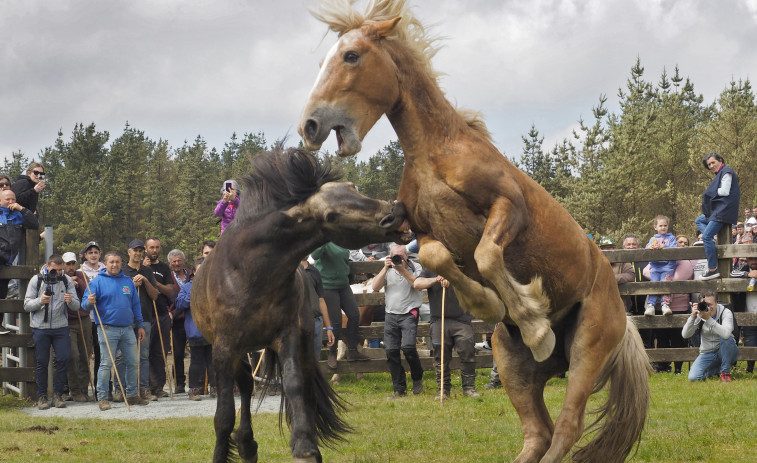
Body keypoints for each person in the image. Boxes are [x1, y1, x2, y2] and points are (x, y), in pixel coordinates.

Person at [83, 251, 149, 410]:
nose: (114, 265)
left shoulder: (128, 281)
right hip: (107, 328)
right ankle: (103, 397)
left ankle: (132, 394)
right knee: (106, 363)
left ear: (121, 263)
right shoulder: (97, 282)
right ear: (105, 264)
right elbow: (84, 305)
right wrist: (89, 302)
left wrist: (140, 325)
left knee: (133, 362)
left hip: (128, 329)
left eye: (117, 262)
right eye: (111, 262)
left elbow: (135, 305)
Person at [24, 254, 80, 410]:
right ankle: (42, 396)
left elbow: (76, 305)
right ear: (48, 266)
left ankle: (57, 395)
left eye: (61, 270)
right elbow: (27, 305)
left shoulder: (66, 280)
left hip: (60, 326)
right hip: (40, 327)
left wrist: (71, 301)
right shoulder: (37, 280)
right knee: (42, 362)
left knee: (64, 358)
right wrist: (40, 301)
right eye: (55, 270)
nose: (58, 273)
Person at [414, 270, 479, 398]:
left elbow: (475, 284)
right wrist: (436, 279)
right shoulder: (431, 268)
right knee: (441, 357)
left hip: (462, 320)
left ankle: (469, 388)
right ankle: (443, 390)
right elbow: (417, 283)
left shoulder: (461, 266)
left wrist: (454, 278)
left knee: (467, 352)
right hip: (439, 320)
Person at [371, 244, 424, 398]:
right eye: (395, 256)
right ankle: (399, 389)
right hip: (391, 314)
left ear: (406, 256)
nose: (398, 259)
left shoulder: (416, 267)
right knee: (391, 351)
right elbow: (375, 287)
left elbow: (417, 284)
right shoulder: (387, 269)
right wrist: (385, 268)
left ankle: (417, 377)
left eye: (401, 256)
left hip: (409, 312)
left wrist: (402, 269)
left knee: (408, 347)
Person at [312, 242, 370, 367]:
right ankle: (332, 353)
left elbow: (343, 259)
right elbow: (315, 255)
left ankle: (352, 350)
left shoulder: (342, 241)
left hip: (343, 285)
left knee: (354, 315)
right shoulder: (325, 242)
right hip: (328, 286)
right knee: (336, 321)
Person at [118, 239, 159, 401]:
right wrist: (132, 286)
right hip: (126, 320)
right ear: (129, 252)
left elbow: (155, 295)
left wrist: (146, 281)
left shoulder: (147, 271)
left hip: (145, 319)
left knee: (143, 356)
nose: (138, 253)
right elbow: (118, 296)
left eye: (141, 251)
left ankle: (143, 389)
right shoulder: (122, 272)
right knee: (122, 356)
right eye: (135, 250)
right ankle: (120, 389)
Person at [174, 257, 214, 401]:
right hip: (195, 330)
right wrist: (195, 298)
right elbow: (179, 303)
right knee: (197, 361)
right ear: (194, 272)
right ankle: (194, 389)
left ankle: (214, 387)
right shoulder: (187, 287)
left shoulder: (213, 285)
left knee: (212, 360)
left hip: (212, 330)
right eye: (200, 270)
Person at [696, 152, 740, 280]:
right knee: (699, 220)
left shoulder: (727, 172)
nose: (711, 166)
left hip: (723, 211)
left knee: (706, 237)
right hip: (718, 211)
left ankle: (712, 269)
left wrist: (710, 192)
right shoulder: (720, 174)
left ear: (720, 160)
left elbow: (725, 192)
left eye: (713, 162)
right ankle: (711, 242)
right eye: (709, 164)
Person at [682, 290, 738, 382]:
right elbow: (685, 334)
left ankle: (725, 373)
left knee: (726, 338)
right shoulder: (699, 313)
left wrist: (708, 319)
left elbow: (726, 334)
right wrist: (692, 317)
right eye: (704, 304)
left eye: (710, 304)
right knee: (693, 378)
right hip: (707, 353)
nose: (708, 307)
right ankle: (717, 370)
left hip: (726, 350)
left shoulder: (725, 312)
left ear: (716, 303)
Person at [143, 237, 175, 397]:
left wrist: (154, 283)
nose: (154, 250)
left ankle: (158, 387)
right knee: (144, 352)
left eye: (157, 247)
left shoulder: (164, 268)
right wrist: (144, 271)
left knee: (159, 352)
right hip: (145, 315)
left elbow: (171, 290)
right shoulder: (139, 266)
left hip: (161, 313)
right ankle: (145, 387)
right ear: (145, 249)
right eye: (151, 247)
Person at [62, 251, 91, 402]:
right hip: (68, 320)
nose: (71, 267)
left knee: (86, 354)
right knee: (74, 355)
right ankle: (74, 390)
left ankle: (84, 388)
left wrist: (78, 283)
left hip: (84, 318)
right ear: (63, 265)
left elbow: (88, 292)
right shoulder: (60, 278)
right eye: (68, 264)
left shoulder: (82, 275)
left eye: (73, 263)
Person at [0, 190, 39, 301]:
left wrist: (21, 208)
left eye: (13, 199)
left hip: (6, 263)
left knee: (2, 298)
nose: (11, 202)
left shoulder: (18, 216)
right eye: (7, 199)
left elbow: (34, 224)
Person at [301, 259, 335, 361]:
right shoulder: (291, 271)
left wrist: (329, 328)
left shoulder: (315, 271)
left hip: (316, 320)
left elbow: (321, 300)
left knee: (315, 359)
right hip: (297, 321)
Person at [168, 249, 192, 393]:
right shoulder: (168, 277)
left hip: (193, 318)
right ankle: (179, 383)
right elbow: (162, 296)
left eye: (179, 260)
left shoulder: (192, 274)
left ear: (183, 261)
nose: (177, 263)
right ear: (170, 263)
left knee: (197, 351)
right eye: (174, 261)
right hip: (177, 319)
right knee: (177, 353)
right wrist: (167, 311)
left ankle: (198, 382)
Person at [644, 215, 677, 316]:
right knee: (654, 284)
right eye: (661, 225)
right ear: (655, 227)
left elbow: (674, 249)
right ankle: (651, 305)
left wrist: (665, 247)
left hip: (667, 266)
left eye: (665, 225)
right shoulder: (653, 238)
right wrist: (650, 247)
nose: (663, 227)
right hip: (655, 266)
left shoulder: (671, 238)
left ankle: (665, 305)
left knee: (665, 284)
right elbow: (646, 248)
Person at [731, 254, 757, 373]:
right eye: (751, 259)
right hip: (747, 313)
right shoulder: (744, 268)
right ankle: (750, 369)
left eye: (756, 258)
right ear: (746, 259)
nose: (754, 261)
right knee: (749, 341)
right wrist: (748, 274)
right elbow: (731, 274)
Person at [598, 237, 634, 313]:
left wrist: (611, 278)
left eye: (612, 247)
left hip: (620, 305)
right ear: (600, 249)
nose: (610, 250)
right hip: (599, 306)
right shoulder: (596, 263)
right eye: (607, 248)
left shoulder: (622, 261)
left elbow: (631, 275)